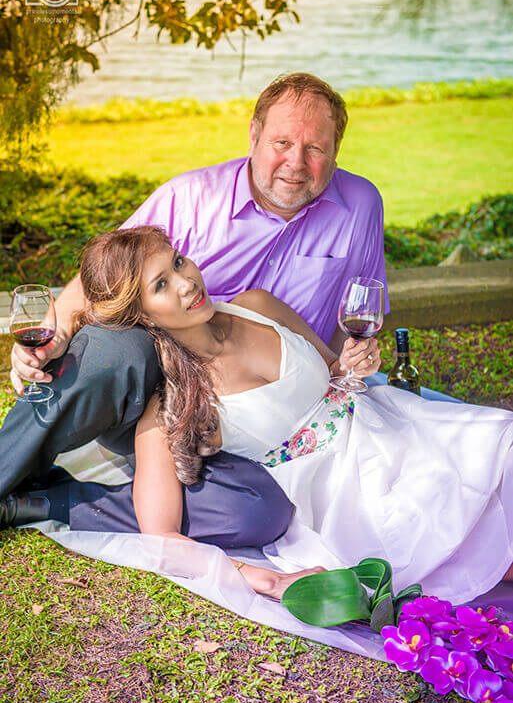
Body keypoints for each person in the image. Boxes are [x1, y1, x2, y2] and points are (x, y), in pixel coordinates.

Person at [2, 226, 513, 605]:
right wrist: (263, 579)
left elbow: (335, 372)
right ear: (140, 316)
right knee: (473, 539)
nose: (186, 282)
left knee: (500, 451)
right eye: (161, 285)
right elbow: (161, 535)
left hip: (391, 424)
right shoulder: (172, 404)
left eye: (178, 261)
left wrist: (357, 362)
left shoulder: (260, 305)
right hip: (346, 489)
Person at [2, 73, 387, 520]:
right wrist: (52, 334)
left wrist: (349, 367)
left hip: (279, 400)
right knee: (110, 352)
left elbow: (355, 313)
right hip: (168, 383)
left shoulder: (361, 204)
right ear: (254, 135)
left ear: (336, 151)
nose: (295, 162)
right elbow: (102, 278)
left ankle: (48, 503)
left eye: (315, 148)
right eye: (281, 143)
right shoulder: (190, 196)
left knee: (256, 511)